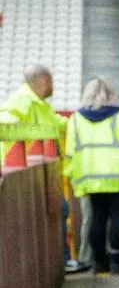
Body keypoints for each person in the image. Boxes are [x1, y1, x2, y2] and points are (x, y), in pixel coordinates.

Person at [1, 65, 86, 272]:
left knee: (57, 210)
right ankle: (60, 263)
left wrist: (82, 122)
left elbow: (56, 124)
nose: (53, 86)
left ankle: (60, 262)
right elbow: (5, 123)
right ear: (43, 81)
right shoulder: (22, 101)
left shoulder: (39, 104)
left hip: (35, 173)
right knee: (56, 211)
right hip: (21, 173)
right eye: (51, 81)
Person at [62, 77, 119, 275]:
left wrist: (71, 176)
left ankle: (99, 262)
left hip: (90, 177)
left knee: (97, 218)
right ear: (111, 94)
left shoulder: (77, 119)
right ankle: (118, 263)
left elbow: (70, 152)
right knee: (118, 216)